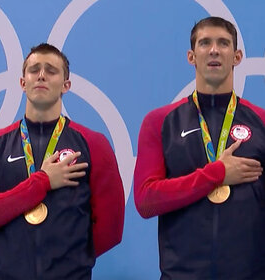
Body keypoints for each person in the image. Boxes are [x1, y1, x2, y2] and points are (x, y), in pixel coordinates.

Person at [0, 43, 125, 279]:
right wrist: (41, 182)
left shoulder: (93, 144)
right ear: (22, 83)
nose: (41, 75)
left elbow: (111, 228)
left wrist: (70, 262)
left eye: (51, 70)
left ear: (66, 85)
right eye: (34, 69)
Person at [134, 16, 265, 279]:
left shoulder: (261, 121)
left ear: (237, 56)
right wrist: (216, 174)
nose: (214, 50)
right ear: (191, 56)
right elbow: (146, 201)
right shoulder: (159, 122)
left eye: (223, 43)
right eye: (205, 43)